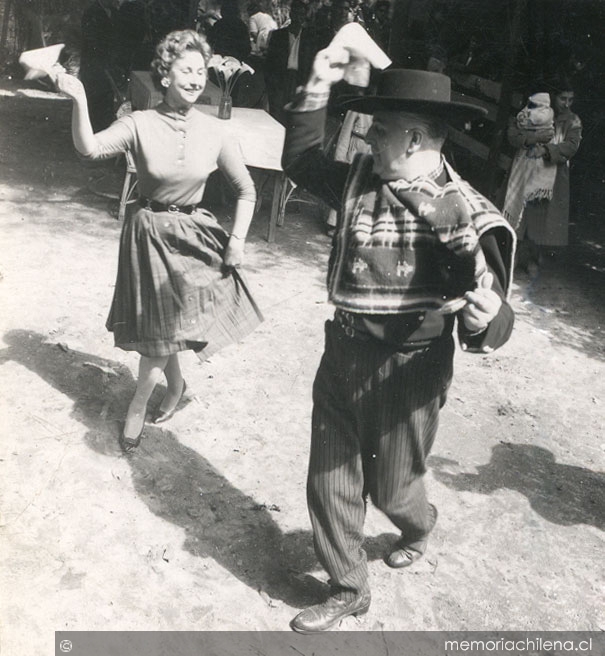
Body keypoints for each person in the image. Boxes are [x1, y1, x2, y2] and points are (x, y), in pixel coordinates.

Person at [281, 50, 516, 633]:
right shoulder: (359, 178)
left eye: (378, 130)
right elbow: (300, 159)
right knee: (330, 476)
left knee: (392, 486)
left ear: (412, 138)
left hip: (410, 369)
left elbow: (489, 313)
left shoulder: (467, 214)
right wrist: (317, 80)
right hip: (343, 350)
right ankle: (347, 586)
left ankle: (416, 521)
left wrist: (489, 316)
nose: (367, 138)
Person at [53, 30, 262, 451]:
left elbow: (247, 190)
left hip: (194, 237)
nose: (195, 78)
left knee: (169, 327)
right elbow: (90, 149)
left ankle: (152, 395)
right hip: (149, 235)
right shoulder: (139, 122)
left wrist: (237, 239)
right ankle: (158, 394)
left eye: (200, 71)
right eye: (185, 69)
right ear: (164, 76)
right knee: (160, 330)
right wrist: (79, 99)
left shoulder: (217, 130)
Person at [505, 78, 582, 271]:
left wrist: (547, 150)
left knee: (540, 216)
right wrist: (533, 138)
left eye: (570, 100)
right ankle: (511, 255)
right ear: (552, 96)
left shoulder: (572, 120)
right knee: (518, 211)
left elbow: (571, 146)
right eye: (562, 98)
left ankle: (531, 257)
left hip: (551, 175)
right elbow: (513, 134)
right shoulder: (534, 110)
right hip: (525, 170)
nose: (566, 104)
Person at [79, 0, 121, 131]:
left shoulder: (113, 12)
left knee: (106, 99)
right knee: (93, 101)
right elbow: (92, 41)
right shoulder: (92, 12)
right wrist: (103, 59)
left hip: (106, 63)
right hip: (94, 64)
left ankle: (104, 131)